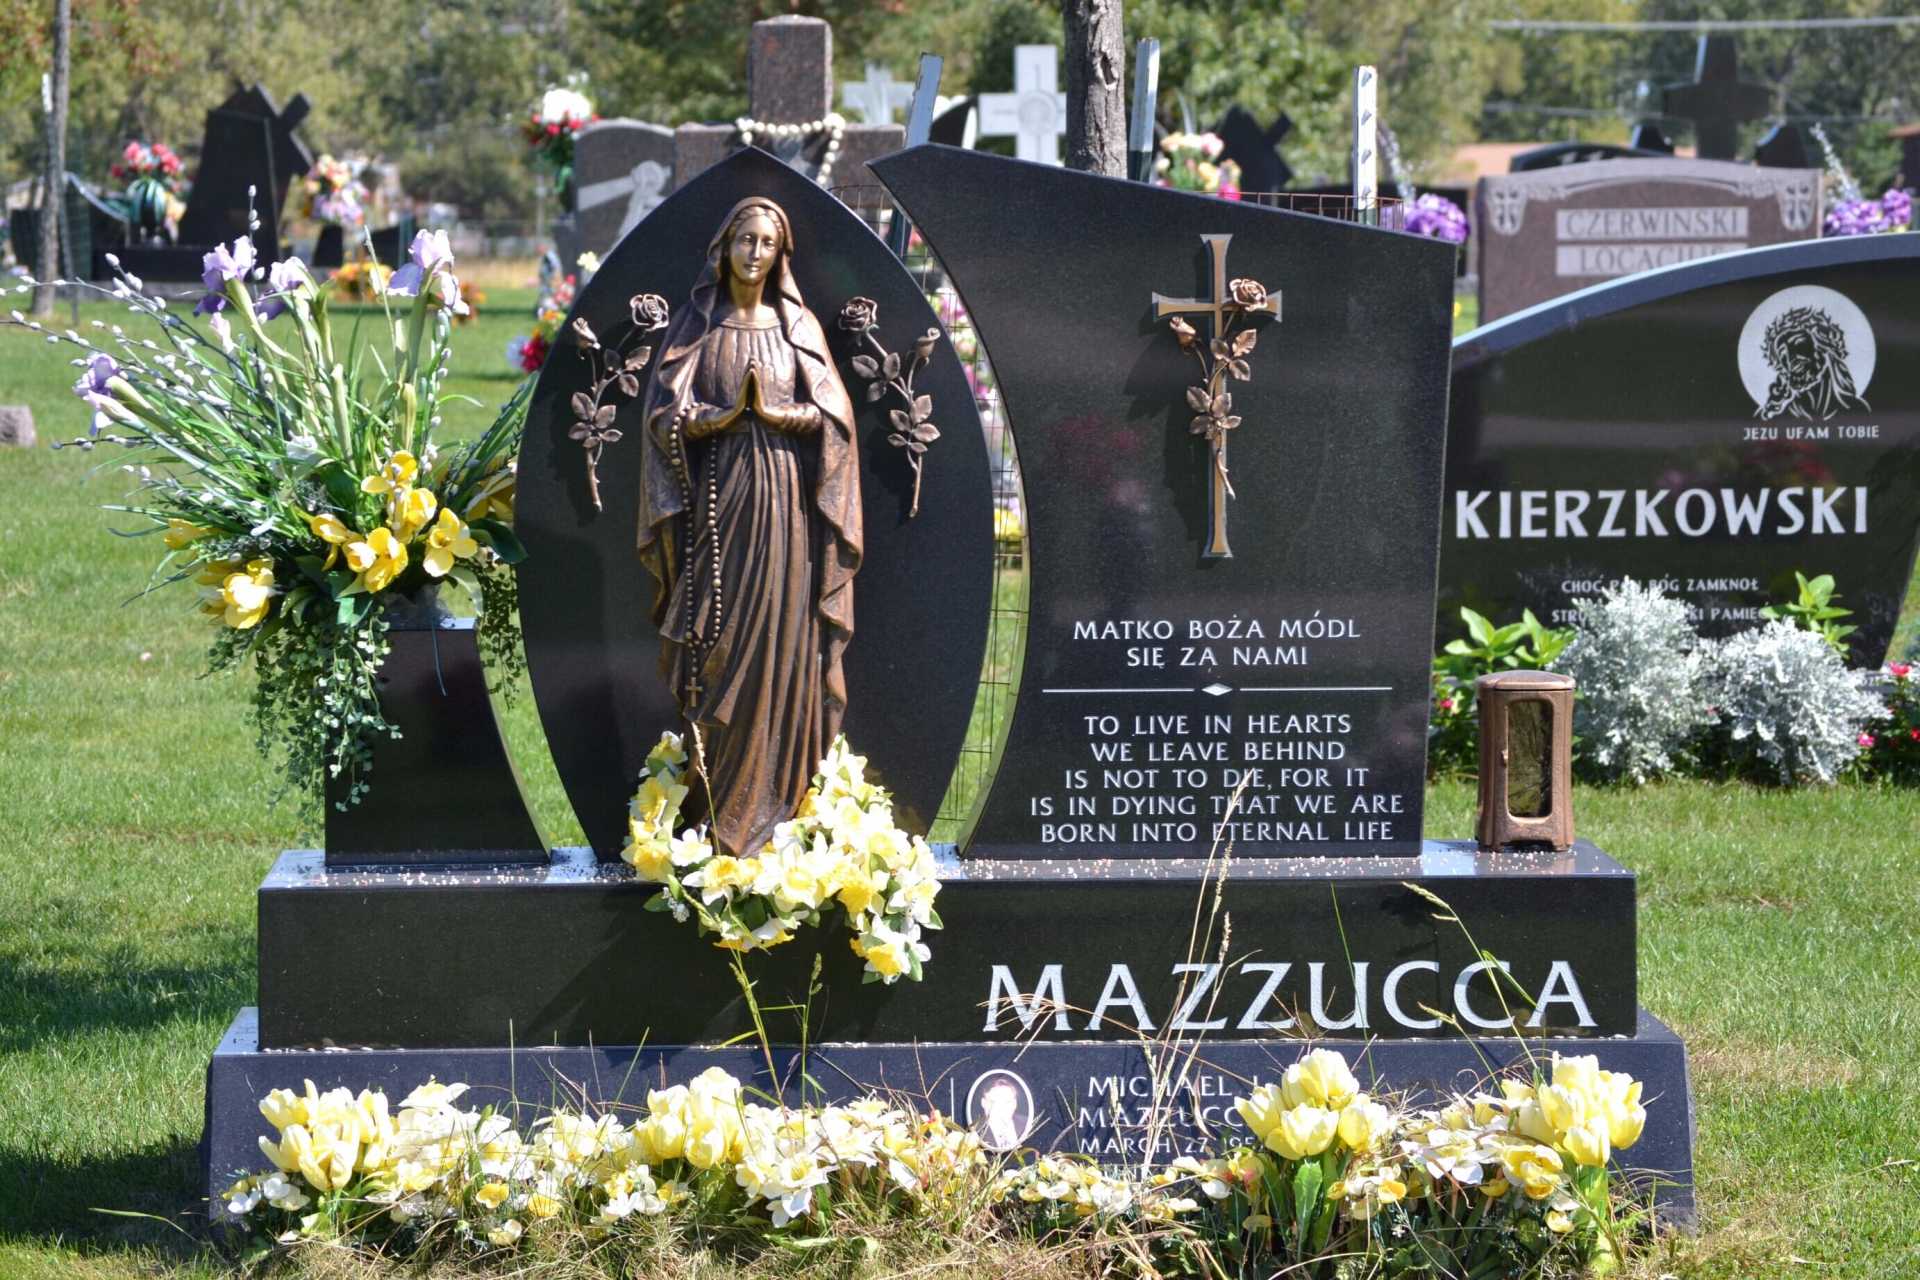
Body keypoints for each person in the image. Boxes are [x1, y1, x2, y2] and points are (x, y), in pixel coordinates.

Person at [636, 196, 862, 854]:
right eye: (745, 240)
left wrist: (783, 416)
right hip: (719, 498)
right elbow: (664, 418)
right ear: (725, 247)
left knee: (781, 636)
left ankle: (779, 797)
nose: (755, 252)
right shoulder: (698, 326)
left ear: (780, 253)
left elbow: (834, 418)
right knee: (718, 634)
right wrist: (720, 419)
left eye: (767, 242)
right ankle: (715, 804)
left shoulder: (799, 327)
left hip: (786, 505)